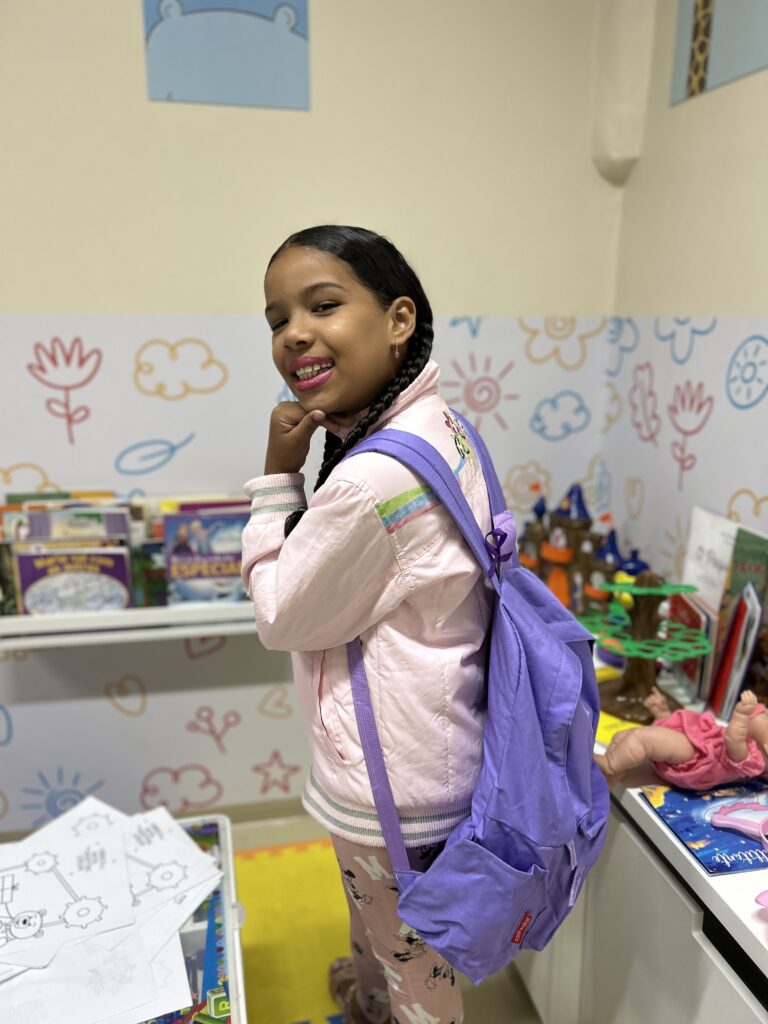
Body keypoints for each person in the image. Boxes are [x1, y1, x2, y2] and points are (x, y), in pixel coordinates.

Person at [241, 225, 494, 1024]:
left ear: (398, 319)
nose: (295, 335)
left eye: (324, 304)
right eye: (278, 318)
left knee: (417, 970)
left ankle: (390, 1005)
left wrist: (276, 481)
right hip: (433, 744)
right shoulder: (437, 427)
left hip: (396, 790)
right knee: (391, 939)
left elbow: (282, 615)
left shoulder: (371, 483)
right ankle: (370, 1001)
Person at [595, 686, 768, 789]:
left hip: (697, 760)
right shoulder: (749, 745)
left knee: (642, 739)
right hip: (697, 747)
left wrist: (741, 714)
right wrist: (663, 715)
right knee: (622, 736)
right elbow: (696, 733)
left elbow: (732, 738)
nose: (764, 711)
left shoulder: (752, 760)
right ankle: (616, 771)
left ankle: (610, 764)